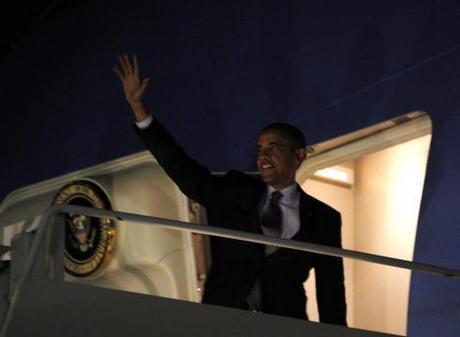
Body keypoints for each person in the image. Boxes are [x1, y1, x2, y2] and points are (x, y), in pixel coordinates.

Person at [114, 54, 347, 325]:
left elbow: (331, 292)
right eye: (260, 149)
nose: (263, 156)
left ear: (299, 155)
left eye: (273, 147)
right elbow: (182, 169)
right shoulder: (236, 189)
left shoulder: (324, 218)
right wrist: (139, 109)